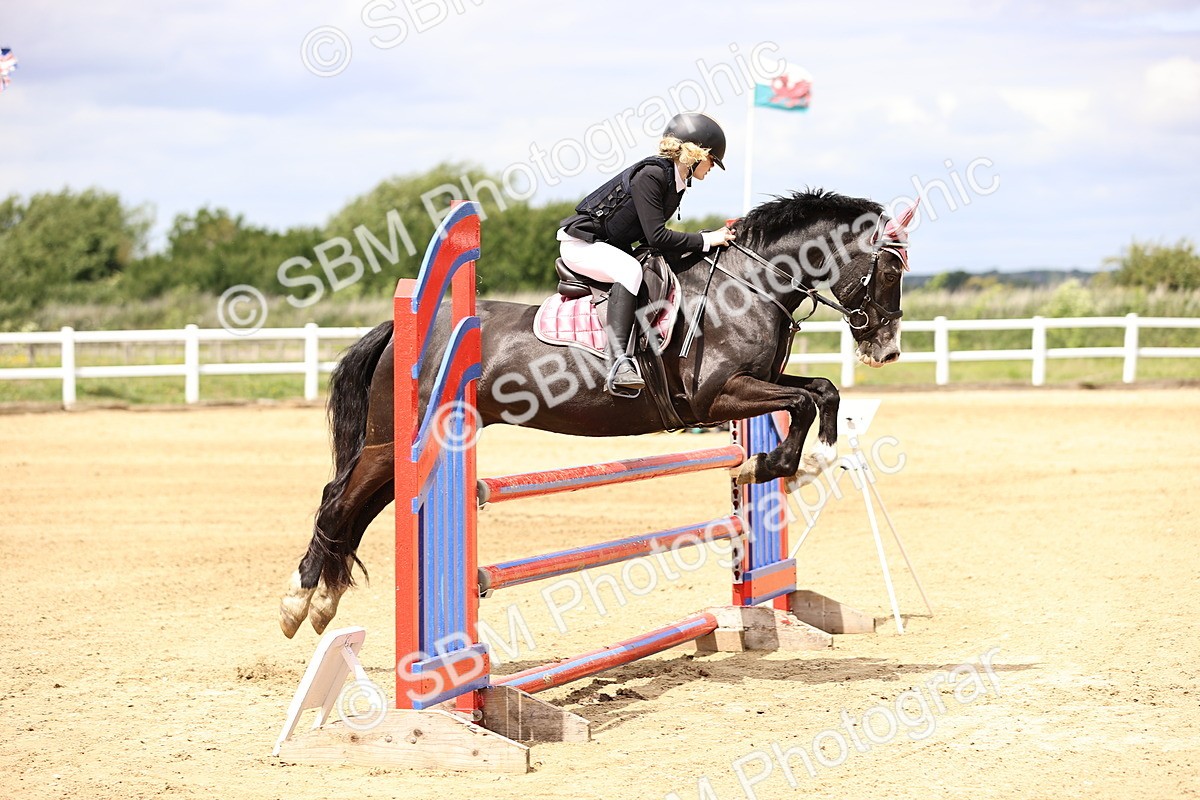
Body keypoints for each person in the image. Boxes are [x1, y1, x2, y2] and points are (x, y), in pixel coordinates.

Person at [557, 112, 736, 395]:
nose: (713, 167)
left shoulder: (675, 181)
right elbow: (657, 236)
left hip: (607, 245)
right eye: (713, 160)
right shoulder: (652, 175)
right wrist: (705, 240)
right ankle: (618, 363)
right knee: (630, 270)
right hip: (582, 244)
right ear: (697, 153)